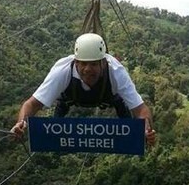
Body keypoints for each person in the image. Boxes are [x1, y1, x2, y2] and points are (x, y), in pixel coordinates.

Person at [11, 33, 156, 146]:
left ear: (103, 63)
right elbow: (32, 104)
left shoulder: (116, 71)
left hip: (109, 98)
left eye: (93, 64)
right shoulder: (63, 70)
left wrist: (146, 130)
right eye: (83, 64)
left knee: (126, 117)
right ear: (75, 62)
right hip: (69, 98)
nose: (88, 69)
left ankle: (134, 138)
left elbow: (141, 109)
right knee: (56, 124)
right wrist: (21, 123)